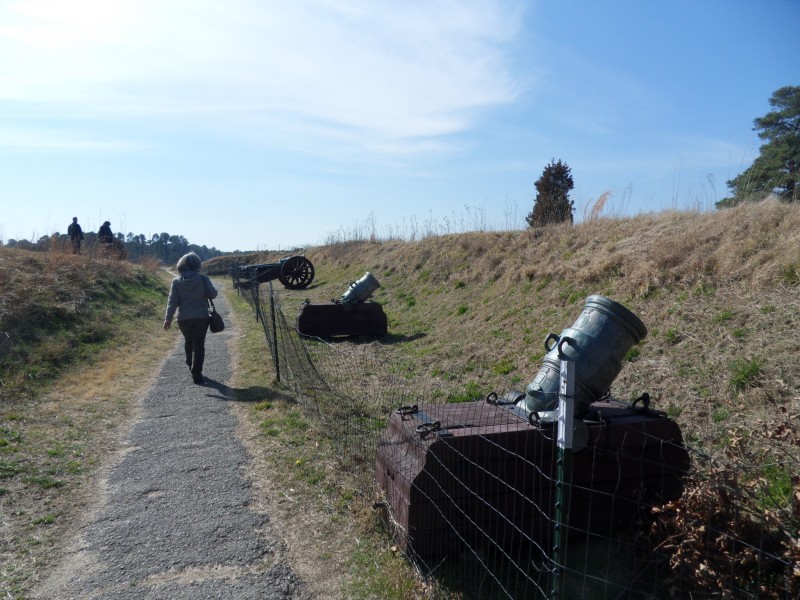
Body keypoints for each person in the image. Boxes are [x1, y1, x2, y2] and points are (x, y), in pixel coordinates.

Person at [163, 252, 218, 384]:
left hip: (183, 319)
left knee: (188, 341)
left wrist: (168, 319)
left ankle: (190, 363)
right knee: (199, 345)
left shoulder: (176, 281)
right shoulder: (203, 279)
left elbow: (172, 302)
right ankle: (196, 373)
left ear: (181, 265)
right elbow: (213, 295)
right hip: (201, 317)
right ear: (197, 264)